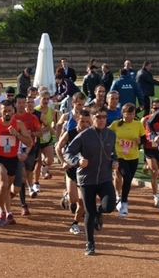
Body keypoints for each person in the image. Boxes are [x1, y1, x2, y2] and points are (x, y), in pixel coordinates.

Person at [63, 105, 118, 256]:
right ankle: (90, 244)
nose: (101, 120)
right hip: (87, 179)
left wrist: (115, 161)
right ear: (93, 118)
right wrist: (77, 161)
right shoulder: (84, 135)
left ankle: (98, 212)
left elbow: (113, 153)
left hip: (105, 178)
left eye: (104, 117)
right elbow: (68, 153)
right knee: (89, 212)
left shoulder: (111, 135)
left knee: (109, 206)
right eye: (98, 117)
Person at [0, 100, 32, 227]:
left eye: (9, 111)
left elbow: (29, 143)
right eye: (4, 111)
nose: (7, 113)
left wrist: (16, 135)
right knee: (4, 183)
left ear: (13, 111)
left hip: (12, 159)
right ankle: (0, 211)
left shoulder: (19, 125)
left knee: (6, 188)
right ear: (0, 111)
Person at [55, 109, 92, 235]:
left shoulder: (92, 134)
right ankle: (67, 195)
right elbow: (58, 147)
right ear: (77, 120)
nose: (85, 124)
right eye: (82, 121)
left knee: (82, 202)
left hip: (85, 171)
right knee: (73, 198)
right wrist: (63, 162)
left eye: (87, 122)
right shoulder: (70, 133)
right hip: (71, 169)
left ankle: (74, 224)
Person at [111, 103, 144, 217]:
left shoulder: (138, 125)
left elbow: (143, 138)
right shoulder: (115, 125)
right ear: (123, 113)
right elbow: (106, 134)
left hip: (133, 156)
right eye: (129, 114)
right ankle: (124, 202)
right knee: (127, 177)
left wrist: (140, 141)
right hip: (120, 156)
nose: (131, 116)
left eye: (133, 114)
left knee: (129, 180)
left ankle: (122, 199)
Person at [141, 98, 159, 213]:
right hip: (149, 149)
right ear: (151, 108)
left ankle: (147, 166)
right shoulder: (145, 119)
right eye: (155, 108)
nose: (157, 110)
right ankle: (156, 196)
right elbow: (141, 132)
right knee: (155, 171)